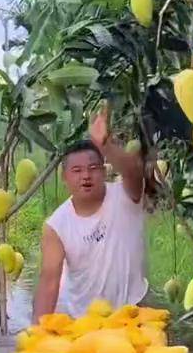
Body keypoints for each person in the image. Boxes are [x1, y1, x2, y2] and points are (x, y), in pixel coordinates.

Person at [32, 107, 148, 322]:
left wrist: (105, 145)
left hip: (132, 313)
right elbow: (49, 280)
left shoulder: (125, 196)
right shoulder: (56, 225)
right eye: (76, 171)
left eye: (93, 168)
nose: (85, 176)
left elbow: (134, 171)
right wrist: (36, 333)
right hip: (84, 321)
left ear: (104, 171)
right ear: (65, 177)